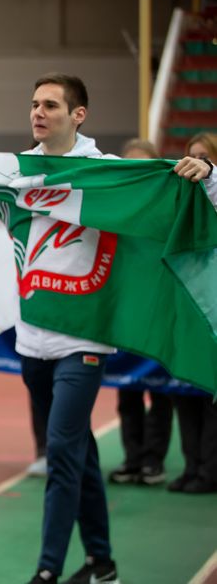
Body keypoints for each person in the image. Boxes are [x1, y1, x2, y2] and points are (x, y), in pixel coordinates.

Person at [0, 73, 213, 584]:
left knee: (62, 453)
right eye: (34, 104)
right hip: (33, 340)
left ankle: (47, 570)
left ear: (78, 115)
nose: (38, 113)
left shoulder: (105, 172)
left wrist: (207, 173)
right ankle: (102, 564)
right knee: (79, 453)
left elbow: (172, 194)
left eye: (50, 105)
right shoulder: (21, 175)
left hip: (83, 341)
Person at [103, 139, 174, 487]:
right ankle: (132, 459)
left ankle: (153, 461)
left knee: (160, 392)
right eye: (128, 165)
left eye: (142, 166)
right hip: (125, 319)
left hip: (158, 318)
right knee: (127, 391)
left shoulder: (167, 212)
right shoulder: (112, 212)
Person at [165, 133, 217, 495]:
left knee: (211, 396)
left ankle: (210, 471)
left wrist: (210, 173)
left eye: (205, 157)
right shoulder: (178, 200)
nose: (195, 162)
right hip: (187, 310)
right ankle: (191, 466)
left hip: (211, 314)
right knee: (184, 394)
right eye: (192, 156)